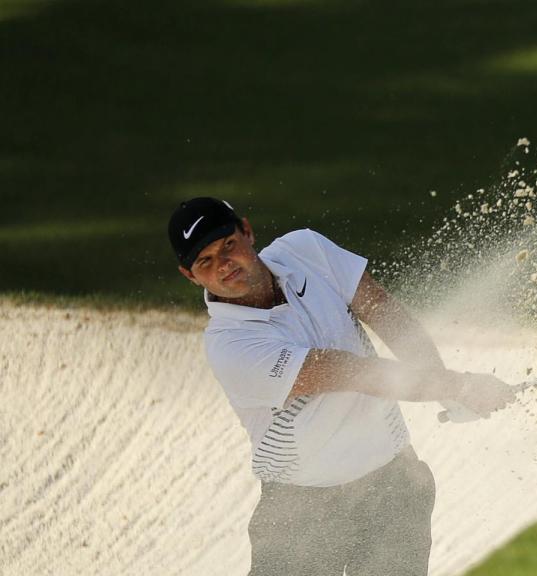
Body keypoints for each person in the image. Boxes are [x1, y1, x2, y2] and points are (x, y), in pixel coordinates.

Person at [167, 197, 514, 575]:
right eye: (206, 261)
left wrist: (444, 387)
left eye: (228, 246)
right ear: (190, 275)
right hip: (301, 510)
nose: (224, 265)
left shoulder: (305, 250)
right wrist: (459, 386)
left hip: (393, 484)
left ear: (247, 232)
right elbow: (352, 373)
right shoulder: (231, 345)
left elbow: (385, 313)